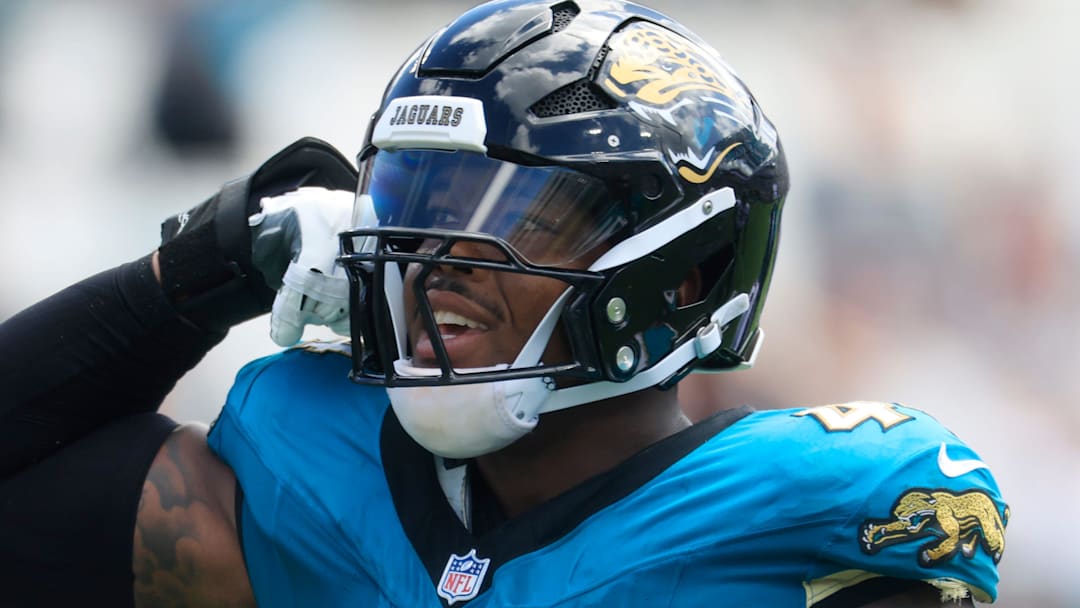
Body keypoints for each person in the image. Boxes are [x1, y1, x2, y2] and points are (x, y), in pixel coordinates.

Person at [0, 1, 1008, 607]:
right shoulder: (301, 460)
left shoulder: (813, 510)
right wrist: (195, 274)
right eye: (418, 207)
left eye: (519, 215)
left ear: (687, 271)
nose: (439, 259)